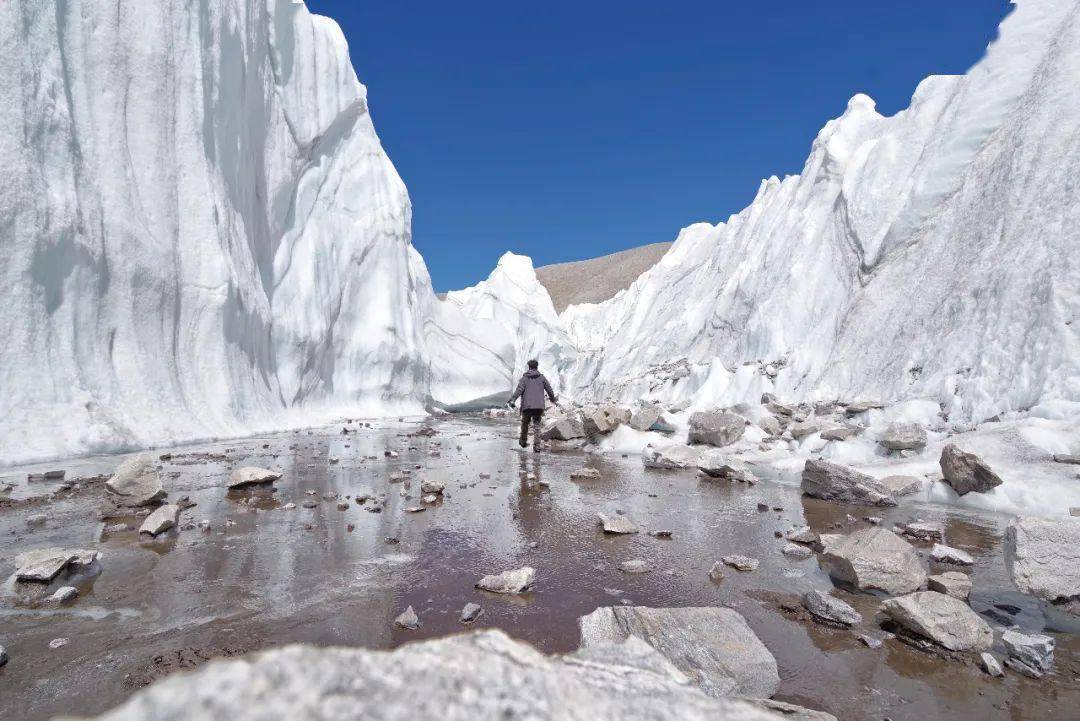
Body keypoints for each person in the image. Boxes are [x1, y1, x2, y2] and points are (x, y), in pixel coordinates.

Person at [507, 359, 557, 451]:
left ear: (529, 367)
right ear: (537, 367)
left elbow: (519, 390)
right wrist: (553, 399)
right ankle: (537, 446)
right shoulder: (542, 378)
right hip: (538, 406)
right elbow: (549, 389)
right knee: (537, 426)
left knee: (525, 423)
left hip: (527, 406)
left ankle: (523, 441)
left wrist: (513, 399)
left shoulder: (524, 378)